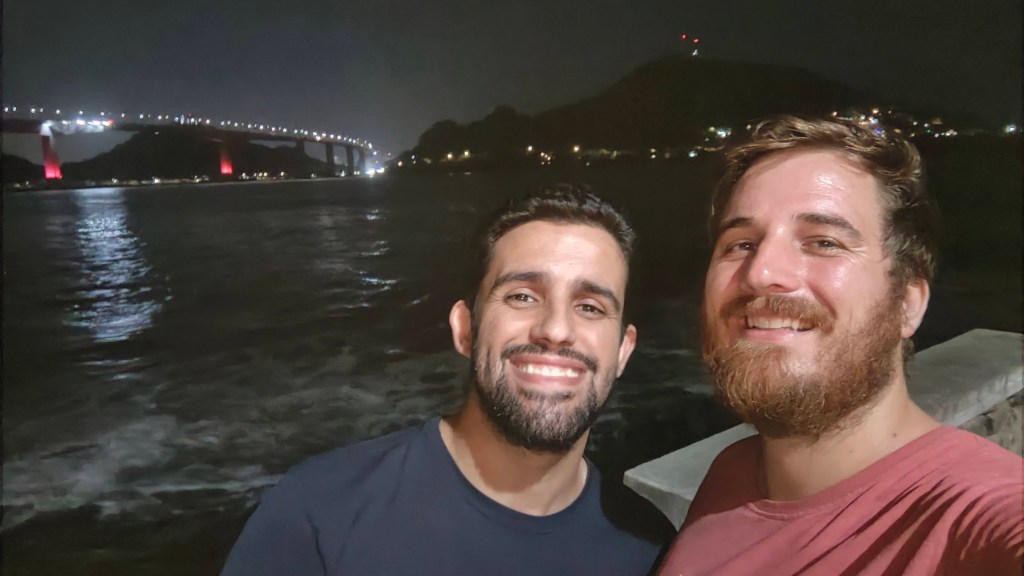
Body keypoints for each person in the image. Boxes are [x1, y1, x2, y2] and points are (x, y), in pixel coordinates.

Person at [222, 185, 673, 576]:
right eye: (522, 296)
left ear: (622, 350)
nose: (555, 329)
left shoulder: (652, 549)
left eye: (590, 307)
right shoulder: (319, 514)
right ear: (465, 329)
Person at [657, 116, 1023, 575]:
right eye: (741, 243)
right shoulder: (734, 471)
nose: (761, 272)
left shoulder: (974, 517)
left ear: (907, 303)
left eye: (824, 242)